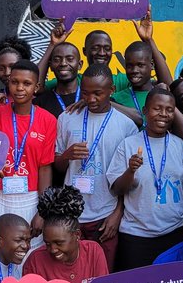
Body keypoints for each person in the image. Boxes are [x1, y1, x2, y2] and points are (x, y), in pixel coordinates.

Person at [54, 68, 137, 268]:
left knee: (102, 275)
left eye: (97, 93)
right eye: (85, 93)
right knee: (72, 273)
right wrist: (67, 155)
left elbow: (128, 178)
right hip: (71, 214)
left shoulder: (126, 126)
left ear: (112, 90)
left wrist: (117, 213)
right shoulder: (67, 117)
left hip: (105, 214)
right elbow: (57, 167)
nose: (90, 99)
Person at [0, 59, 57, 250]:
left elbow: (45, 168)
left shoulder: (48, 120)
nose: (19, 88)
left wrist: (42, 211)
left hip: (29, 198)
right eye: (14, 82)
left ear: (36, 87)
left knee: (24, 253)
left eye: (26, 83)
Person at [110, 86, 183, 271]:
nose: (163, 114)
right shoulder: (128, 145)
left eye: (169, 110)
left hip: (174, 233)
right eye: (157, 108)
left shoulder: (180, 147)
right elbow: (117, 189)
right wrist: (130, 171)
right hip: (136, 236)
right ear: (145, 111)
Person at [34, 40, 82, 118]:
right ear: (50, 66)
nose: (63, 63)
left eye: (69, 59)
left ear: (80, 64)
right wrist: (52, 44)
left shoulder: (89, 99)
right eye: (57, 60)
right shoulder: (40, 103)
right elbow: (36, 84)